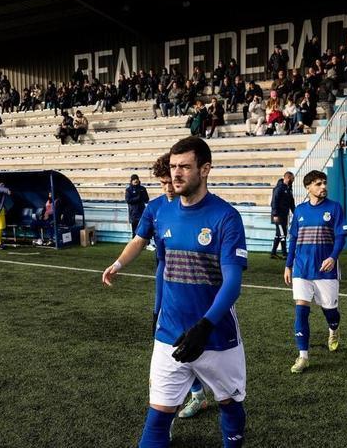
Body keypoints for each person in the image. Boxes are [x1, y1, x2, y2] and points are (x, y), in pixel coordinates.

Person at [133, 136, 248, 448]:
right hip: (169, 334)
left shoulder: (226, 217)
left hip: (216, 336)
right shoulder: (163, 213)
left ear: (205, 169)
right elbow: (162, 268)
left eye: (184, 166)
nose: (176, 174)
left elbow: (233, 282)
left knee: (230, 405)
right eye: (172, 167)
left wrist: (205, 325)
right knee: (157, 418)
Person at [102, 154, 212, 420]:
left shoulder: (199, 205)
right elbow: (139, 240)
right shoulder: (155, 208)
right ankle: (195, 396)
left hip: (199, 282)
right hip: (165, 276)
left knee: (202, 339)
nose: (167, 188)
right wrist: (117, 264)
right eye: (162, 183)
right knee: (166, 340)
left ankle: (219, 392)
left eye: (168, 182)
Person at [284, 170, 347, 373]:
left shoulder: (334, 208)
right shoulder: (300, 211)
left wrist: (333, 257)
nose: (323, 187)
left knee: (330, 311)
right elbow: (293, 239)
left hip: (325, 270)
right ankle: (303, 356)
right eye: (318, 184)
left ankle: (334, 329)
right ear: (308, 187)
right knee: (301, 310)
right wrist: (288, 264)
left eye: (324, 183)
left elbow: (340, 236)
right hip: (302, 269)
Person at [270, 172, 295, 259]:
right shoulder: (279, 188)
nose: (293, 180)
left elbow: (291, 202)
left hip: (285, 215)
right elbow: (274, 201)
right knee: (282, 234)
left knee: (279, 234)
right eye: (292, 178)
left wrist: (294, 212)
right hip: (278, 215)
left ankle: (273, 253)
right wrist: (275, 214)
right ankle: (285, 253)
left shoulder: (289, 189)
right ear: (287, 178)